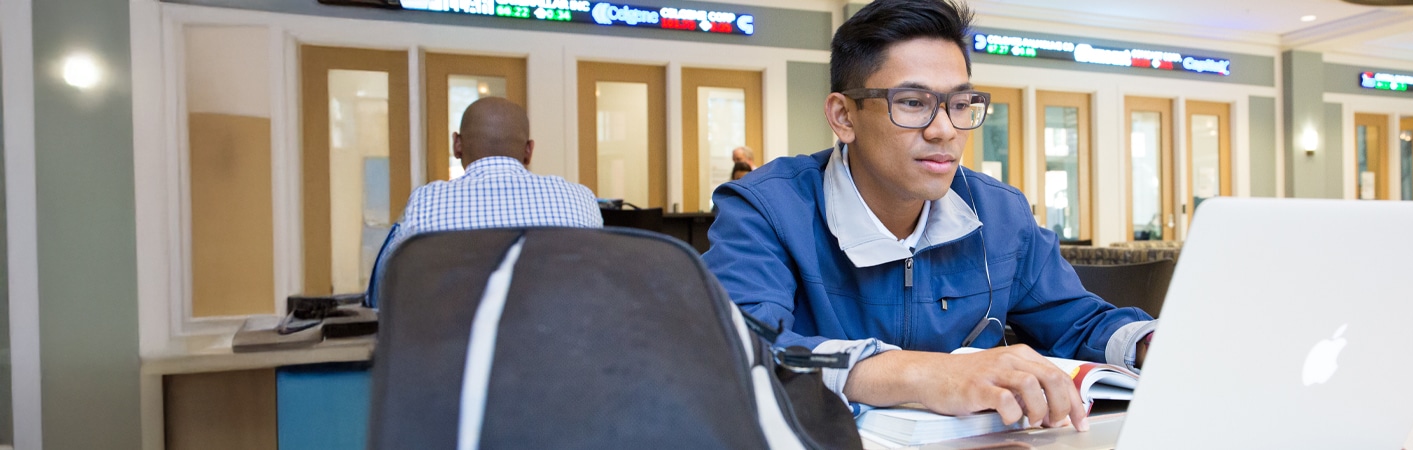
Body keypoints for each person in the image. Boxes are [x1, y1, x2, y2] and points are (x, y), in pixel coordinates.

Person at [701, 0, 1155, 432]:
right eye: (913, 102)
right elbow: (746, 345)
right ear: (843, 116)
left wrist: (1147, 343)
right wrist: (929, 374)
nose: (944, 131)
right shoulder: (765, 209)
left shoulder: (999, 212)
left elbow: (1077, 320)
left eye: (959, 105)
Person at [367, 97, 603, 308]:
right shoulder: (581, 199)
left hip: (454, 351)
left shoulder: (426, 201)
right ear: (529, 150)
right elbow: (599, 285)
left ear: (457, 144)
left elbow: (381, 293)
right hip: (561, 349)